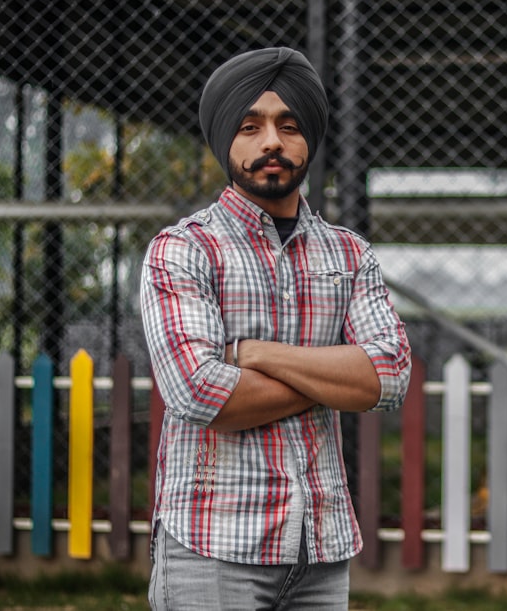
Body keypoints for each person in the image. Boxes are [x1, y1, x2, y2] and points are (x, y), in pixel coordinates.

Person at [140, 46, 412, 610]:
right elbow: (200, 393)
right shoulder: (184, 250)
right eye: (250, 126)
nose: (272, 142)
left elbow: (388, 376)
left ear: (309, 139)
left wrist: (254, 354)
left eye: (289, 126)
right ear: (225, 140)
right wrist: (331, 379)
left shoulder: (349, 254)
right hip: (212, 548)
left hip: (321, 548)